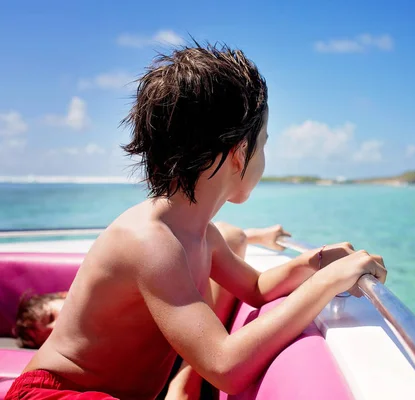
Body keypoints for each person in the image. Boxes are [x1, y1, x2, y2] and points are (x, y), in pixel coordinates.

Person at [6, 42, 386, 400]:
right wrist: (326, 283)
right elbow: (225, 366)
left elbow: (254, 287)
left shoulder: (201, 233)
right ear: (239, 153)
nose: (265, 156)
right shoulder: (151, 243)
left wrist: (314, 262)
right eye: (264, 143)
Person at [12, 224, 290, 350]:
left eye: (49, 317)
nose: (52, 329)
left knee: (231, 236)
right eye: (44, 338)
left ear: (64, 295)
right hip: (179, 346)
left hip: (186, 333)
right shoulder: (82, 346)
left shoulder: (101, 293)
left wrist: (254, 236)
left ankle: (186, 383)